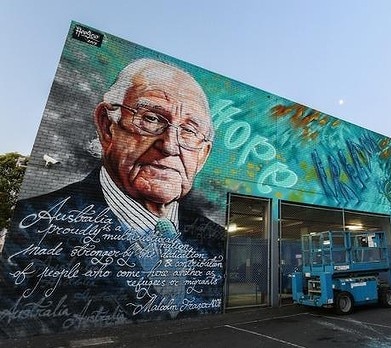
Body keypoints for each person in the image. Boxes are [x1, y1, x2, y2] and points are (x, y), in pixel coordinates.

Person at [0, 59, 226, 338]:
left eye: (190, 131)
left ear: (202, 155)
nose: (169, 145)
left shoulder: (218, 240)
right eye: (152, 119)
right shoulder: (31, 227)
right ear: (107, 126)